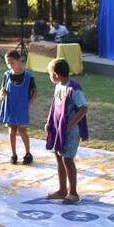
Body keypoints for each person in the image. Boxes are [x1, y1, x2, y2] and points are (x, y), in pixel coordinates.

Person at [44, 58, 88, 205]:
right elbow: (54, 105)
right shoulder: (58, 86)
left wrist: (70, 125)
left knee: (67, 159)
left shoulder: (74, 88)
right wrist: (49, 122)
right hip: (58, 128)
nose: (50, 75)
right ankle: (62, 189)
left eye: (50, 73)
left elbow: (83, 108)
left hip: (70, 130)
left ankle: (73, 193)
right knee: (58, 156)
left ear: (55, 74)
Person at [0, 49, 37, 165]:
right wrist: (1, 93)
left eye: (12, 62)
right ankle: (13, 154)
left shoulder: (28, 76)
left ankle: (28, 153)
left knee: (22, 130)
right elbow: (2, 88)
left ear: (19, 61)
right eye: (8, 63)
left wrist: (30, 102)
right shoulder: (6, 75)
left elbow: (34, 91)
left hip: (21, 107)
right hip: (10, 106)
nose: (10, 65)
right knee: (12, 130)